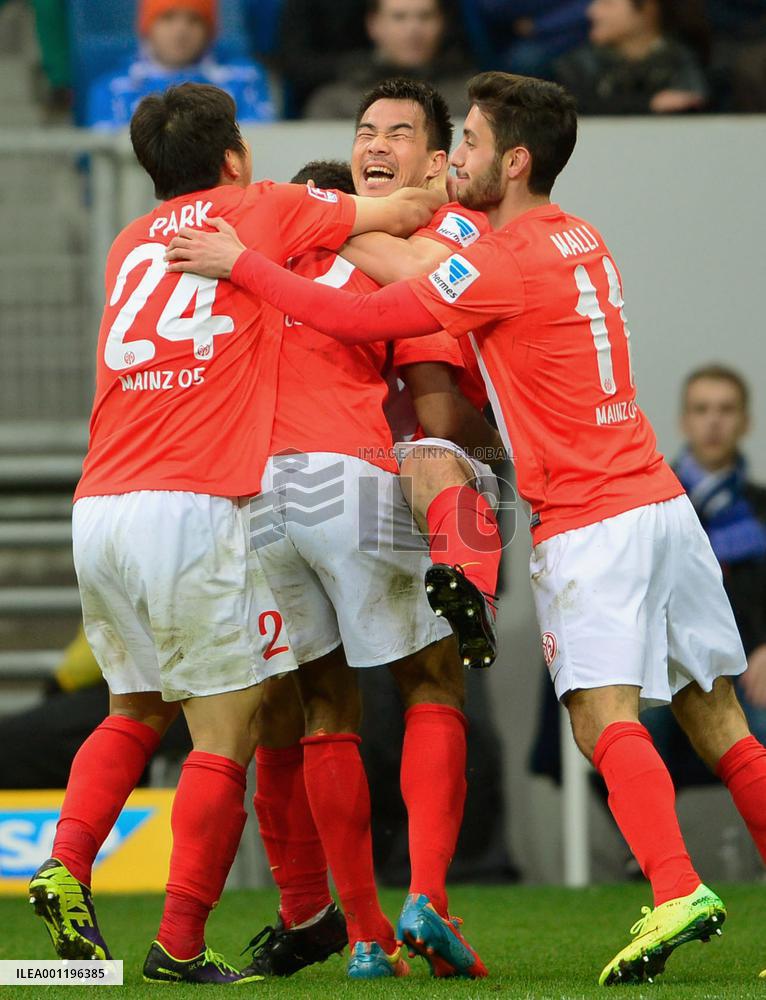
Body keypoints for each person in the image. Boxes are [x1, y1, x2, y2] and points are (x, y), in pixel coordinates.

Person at [166, 70, 766, 986]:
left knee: (600, 714)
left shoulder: (496, 259)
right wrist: (350, 214)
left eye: (470, 147)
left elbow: (367, 312)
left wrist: (255, 251)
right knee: (719, 718)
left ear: (511, 161)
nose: (455, 168)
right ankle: (460, 576)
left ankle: (676, 884)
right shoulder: (580, 235)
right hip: (659, 500)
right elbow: (413, 275)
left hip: (588, 517)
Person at [27, 81, 440, 984]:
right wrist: (444, 178)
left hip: (98, 504)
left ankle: (65, 864)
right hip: (194, 500)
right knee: (231, 726)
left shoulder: (127, 246)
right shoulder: (264, 206)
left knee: (133, 706)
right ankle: (180, 944)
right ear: (236, 157)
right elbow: (408, 206)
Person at [238, 79, 499, 981]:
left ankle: (358, 936)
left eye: (399, 131)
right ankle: (425, 891)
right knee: (432, 681)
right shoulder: (432, 245)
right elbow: (435, 411)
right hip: (345, 475)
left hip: (254, 494)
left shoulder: (281, 242)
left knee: (318, 707)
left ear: (435, 160)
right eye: (366, 130)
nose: (376, 141)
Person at [85, 0, 276, 129]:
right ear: (147, 27)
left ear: (209, 31)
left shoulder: (245, 80)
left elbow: (261, 149)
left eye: (194, 20)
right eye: (168, 18)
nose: (181, 30)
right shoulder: (112, 90)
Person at [304, 0, 474, 121]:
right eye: (399, 17)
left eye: (425, 16)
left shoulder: (472, 101)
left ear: (443, 22)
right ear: (373, 24)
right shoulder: (334, 104)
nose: (413, 29)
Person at [554, 0, 709, 115]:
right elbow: (577, 108)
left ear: (648, 9)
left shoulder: (684, 60)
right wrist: (649, 104)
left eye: (607, 3)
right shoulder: (577, 65)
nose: (592, 11)